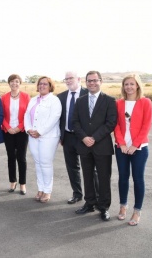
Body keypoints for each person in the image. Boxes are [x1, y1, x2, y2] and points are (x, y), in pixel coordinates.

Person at [73, 70, 116, 221]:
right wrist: (84, 137)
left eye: (95, 80)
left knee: (104, 178)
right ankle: (89, 203)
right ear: (86, 82)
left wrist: (94, 138)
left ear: (100, 81)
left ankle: (103, 207)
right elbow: (75, 122)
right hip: (84, 145)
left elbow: (111, 123)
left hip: (102, 146)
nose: (92, 83)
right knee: (88, 176)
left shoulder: (110, 101)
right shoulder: (80, 101)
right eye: (89, 81)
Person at [114, 74, 152, 226]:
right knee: (123, 177)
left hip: (139, 148)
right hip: (121, 148)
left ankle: (137, 211)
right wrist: (122, 143)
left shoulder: (145, 102)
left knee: (138, 179)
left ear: (137, 85)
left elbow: (146, 125)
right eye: (126, 84)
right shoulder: (119, 103)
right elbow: (115, 125)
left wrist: (135, 144)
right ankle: (123, 206)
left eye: (132, 84)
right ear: (123, 87)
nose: (129, 87)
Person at [58, 71, 99, 204]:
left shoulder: (88, 94)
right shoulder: (61, 97)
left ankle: (94, 197)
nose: (69, 81)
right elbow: (59, 118)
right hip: (68, 136)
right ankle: (77, 193)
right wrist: (60, 135)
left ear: (78, 79)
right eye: (66, 79)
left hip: (84, 138)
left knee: (90, 168)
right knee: (72, 167)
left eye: (71, 78)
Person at [24, 76, 61, 203]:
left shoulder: (54, 100)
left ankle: (47, 191)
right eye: (40, 84)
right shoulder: (33, 100)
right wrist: (28, 129)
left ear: (50, 86)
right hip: (33, 136)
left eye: (45, 84)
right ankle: (40, 189)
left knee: (45, 163)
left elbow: (54, 118)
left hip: (48, 137)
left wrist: (40, 132)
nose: (42, 86)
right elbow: (26, 115)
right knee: (38, 163)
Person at [0, 74, 30, 195]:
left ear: (20, 83)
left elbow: (28, 115)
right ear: (9, 83)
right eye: (12, 81)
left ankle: (22, 184)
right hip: (8, 132)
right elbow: (1, 115)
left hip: (21, 132)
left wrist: (19, 127)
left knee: (21, 158)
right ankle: (13, 181)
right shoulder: (4, 97)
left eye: (17, 81)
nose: (14, 84)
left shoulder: (26, 97)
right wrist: (8, 127)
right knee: (11, 157)